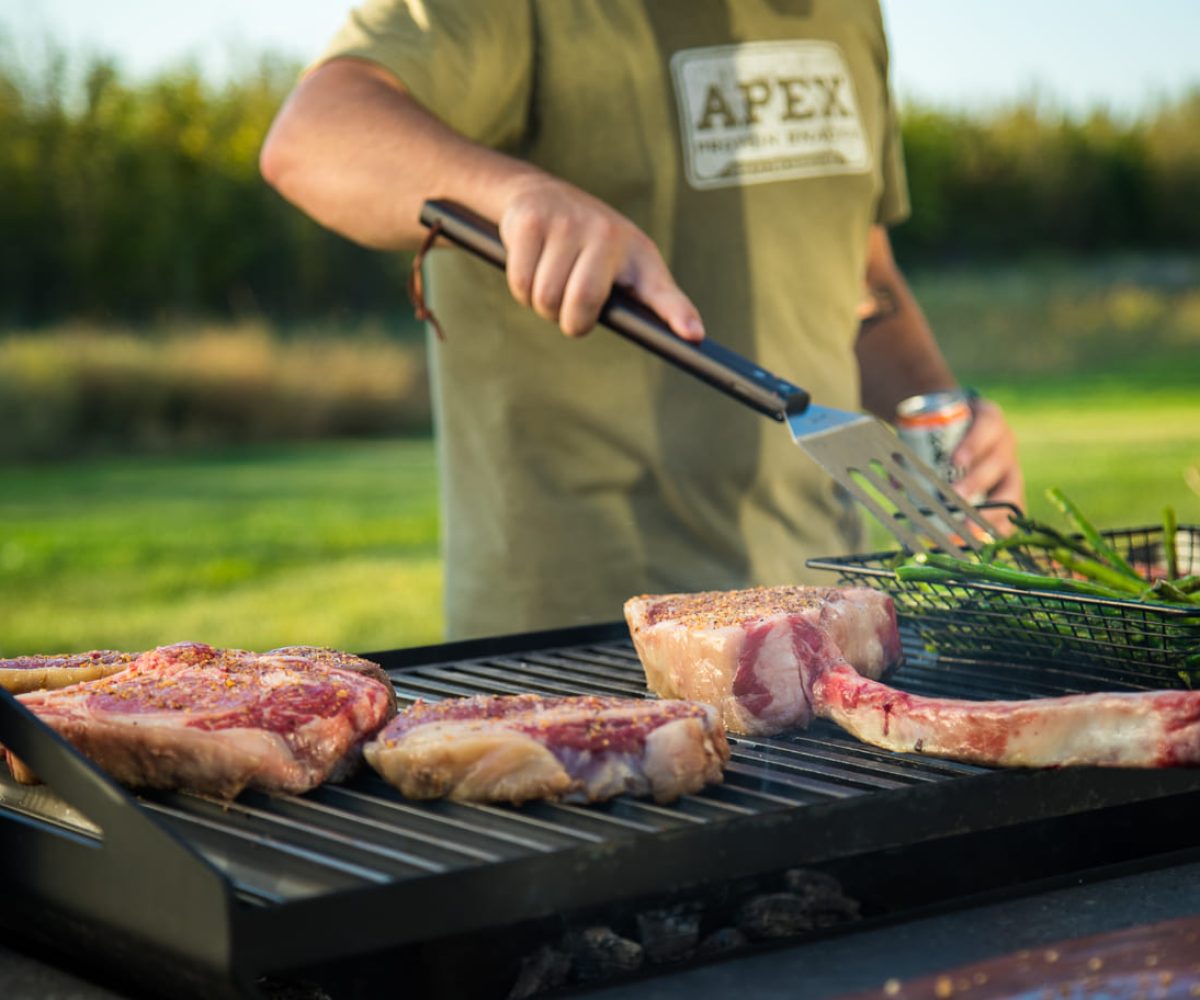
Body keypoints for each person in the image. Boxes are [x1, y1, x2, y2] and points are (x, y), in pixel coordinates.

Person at [260, 0, 1024, 640]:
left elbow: (862, 275)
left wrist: (941, 428)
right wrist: (516, 194)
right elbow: (314, 133)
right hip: (584, 635)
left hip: (825, 617)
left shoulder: (846, 12)